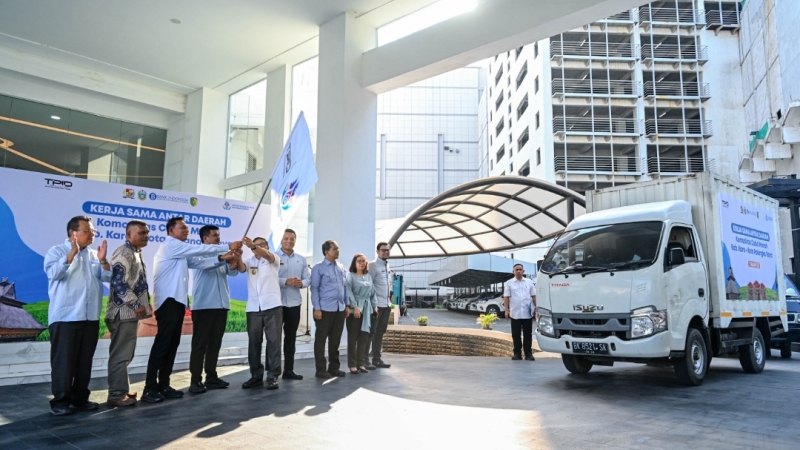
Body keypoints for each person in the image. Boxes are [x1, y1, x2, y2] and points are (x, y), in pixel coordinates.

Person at [144, 217, 242, 403]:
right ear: (171, 230)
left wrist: (222, 257)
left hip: (178, 302)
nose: (186, 230)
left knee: (172, 345)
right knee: (163, 345)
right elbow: (200, 253)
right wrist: (228, 246)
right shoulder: (171, 245)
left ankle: (163, 384)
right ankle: (150, 387)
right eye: (182, 228)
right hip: (168, 302)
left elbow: (201, 263)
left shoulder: (181, 252)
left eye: (187, 228)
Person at [43, 216, 111, 416]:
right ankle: (60, 402)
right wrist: (71, 254)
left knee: (84, 362)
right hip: (65, 317)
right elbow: (53, 274)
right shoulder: (56, 251)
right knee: (64, 362)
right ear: (74, 234)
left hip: (89, 317)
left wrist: (104, 261)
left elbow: (107, 277)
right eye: (88, 231)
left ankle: (80, 398)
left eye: (93, 231)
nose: (92, 235)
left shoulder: (93, 255)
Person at [188, 225, 245, 394]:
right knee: (200, 344)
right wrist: (224, 256)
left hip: (221, 305)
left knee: (215, 343)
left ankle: (211, 376)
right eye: (214, 236)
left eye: (218, 235)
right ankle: (195, 380)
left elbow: (232, 273)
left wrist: (233, 261)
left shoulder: (221, 255)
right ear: (205, 238)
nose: (218, 238)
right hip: (204, 306)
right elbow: (206, 266)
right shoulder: (199, 253)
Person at [105, 220, 152, 407]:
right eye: (141, 233)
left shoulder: (135, 252)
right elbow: (118, 282)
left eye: (146, 232)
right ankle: (116, 394)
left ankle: (121, 390)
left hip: (129, 314)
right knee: (120, 354)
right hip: (122, 313)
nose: (145, 236)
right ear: (128, 234)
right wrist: (134, 303)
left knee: (126, 354)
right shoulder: (124, 252)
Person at [242, 237, 283, 390]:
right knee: (254, 343)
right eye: (255, 245)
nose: (256, 248)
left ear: (266, 246)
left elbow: (267, 255)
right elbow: (239, 268)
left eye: (260, 245)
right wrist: (237, 254)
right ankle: (256, 375)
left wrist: (252, 245)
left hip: (272, 307)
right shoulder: (249, 261)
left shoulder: (273, 259)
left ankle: (272, 376)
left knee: (274, 343)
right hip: (253, 308)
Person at [311, 240, 349, 379]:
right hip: (324, 310)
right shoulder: (318, 268)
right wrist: (317, 308)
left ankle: (334, 368)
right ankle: (320, 370)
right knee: (321, 341)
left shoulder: (341, 267)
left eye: (338, 248)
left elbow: (345, 287)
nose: (338, 250)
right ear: (327, 251)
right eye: (335, 248)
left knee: (335, 340)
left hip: (339, 309)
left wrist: (347, 305)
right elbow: (314, 289)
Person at [277, 229, 311, 380]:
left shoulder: (301, 259)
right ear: (281, 240)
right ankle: (273, 372)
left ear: (295, 241)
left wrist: (301, 283)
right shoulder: (273, 257)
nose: (289, 241)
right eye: (286, 238)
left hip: (294, 304)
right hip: (276, 304)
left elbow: (308, 279)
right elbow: (268, 279)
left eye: (292, 239)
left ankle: (288, 370)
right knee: (274, 339)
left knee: (290, 338)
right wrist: (286, 281)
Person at [346, 254, 377, 374]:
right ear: (354, 263)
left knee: (363, 338)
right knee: (353, 339)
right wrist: (355, 306)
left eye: (363, 261)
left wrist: (375, 306)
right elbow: (348, 292)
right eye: (359, 261)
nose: (361, 263)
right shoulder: (351, 276)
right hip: (355, 311)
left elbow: (373, 293)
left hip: (367, 309)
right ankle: (352, 364)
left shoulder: (368, 277)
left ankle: (361, 363)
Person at [503, 264, 537, 361]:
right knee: (516, 334)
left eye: (520, 269)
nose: (518, 271)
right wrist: (506, 310)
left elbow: (533, 295)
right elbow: (506, 297)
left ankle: (528, 353)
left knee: (528, 334)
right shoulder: (509, 283)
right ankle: (517, 353)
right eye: (516, 269)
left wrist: (536, 308)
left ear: (523, 271)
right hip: (515, 313)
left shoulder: (529, 282)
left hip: (527, 312)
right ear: (513, 271)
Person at [368, 242, 392, 369]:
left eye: (388, 250)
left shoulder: (387, 266)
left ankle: (377, 359)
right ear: (377, 251)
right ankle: (365, 360)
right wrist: (373, 305)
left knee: (380, 333)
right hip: (376, 306)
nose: (386, 252)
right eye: (383, 250)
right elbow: (368, 285)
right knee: (371, 332)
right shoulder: (372, 265)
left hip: (386, 305)